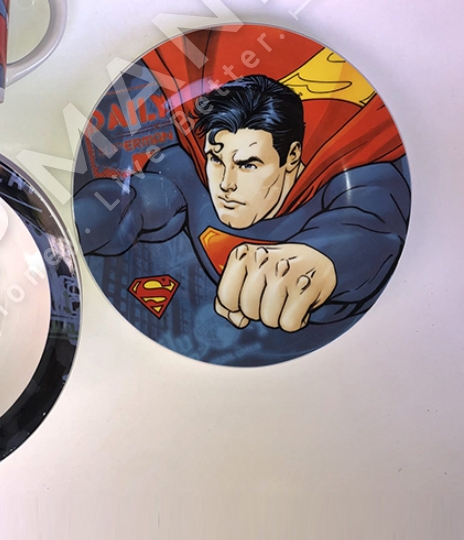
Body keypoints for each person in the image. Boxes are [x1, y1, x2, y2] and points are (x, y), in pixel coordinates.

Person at [75, 71, 410, 344]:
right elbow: (135, 202)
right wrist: (85, 218)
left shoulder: (354, 182)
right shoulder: (188, 172)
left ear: (292, 157)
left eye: (249, 164)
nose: (226, 184)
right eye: (217, 159)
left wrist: (318, 259)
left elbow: (371, 226)